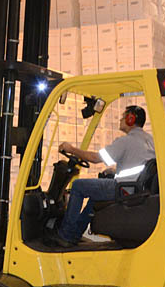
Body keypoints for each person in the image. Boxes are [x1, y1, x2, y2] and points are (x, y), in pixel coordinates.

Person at [49, 105, 155, 247]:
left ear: (131, 119)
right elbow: (139, 165)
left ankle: (66, 235)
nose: (120, 120)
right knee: (96, 193)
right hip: (136, 188)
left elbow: (94, 158)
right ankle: (75, 233)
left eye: (123, 117)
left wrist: (71, 149)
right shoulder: (150, 140)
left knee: (78, 186)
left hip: (123, 188)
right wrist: (114, 172)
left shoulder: (126, 141)